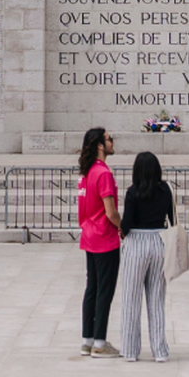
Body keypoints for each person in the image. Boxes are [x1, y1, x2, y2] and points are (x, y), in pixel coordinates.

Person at [115, 149, 174, 362]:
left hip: (137, 242)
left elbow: (127, 223)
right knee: (156, 299)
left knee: (131, 298)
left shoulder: (133, 192)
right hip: (158, 241)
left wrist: (122, 230)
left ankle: (130, 350)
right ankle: (160, 351)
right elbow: (172, 218)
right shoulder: (165, 189)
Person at [76, 126, 120, 355]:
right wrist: (123, 228)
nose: (113, 142)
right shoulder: (103, 173)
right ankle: (100, 343)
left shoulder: (87, 172)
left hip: (89, 236)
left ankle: (88, 340)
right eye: (109, 139)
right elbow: (110, 211)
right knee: (105, 290)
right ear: (100, 145)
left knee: (91, 288)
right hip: (105, 237)